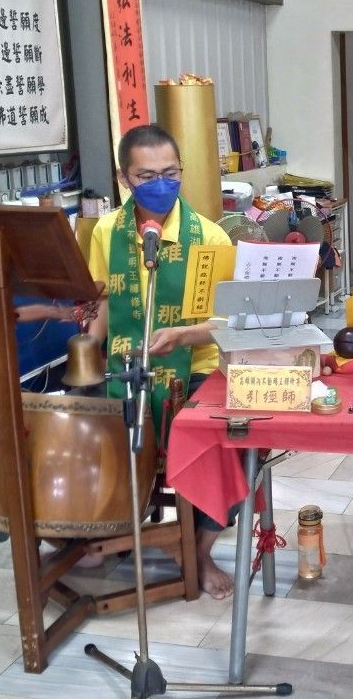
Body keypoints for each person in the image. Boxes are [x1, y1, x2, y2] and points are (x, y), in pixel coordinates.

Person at [87, 124, 237, 600]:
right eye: (146, 175)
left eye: (170, 173)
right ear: (123, 178)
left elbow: (226, 322)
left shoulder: (209, 236)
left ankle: (198, 549)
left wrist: (182, 335)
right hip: (125, 363)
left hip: (196, 362)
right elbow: (103, 301)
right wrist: (87, 348)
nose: (161, 183)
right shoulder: (106, 231)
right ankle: (108, 528)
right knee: (82, 423)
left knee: (222, 439)